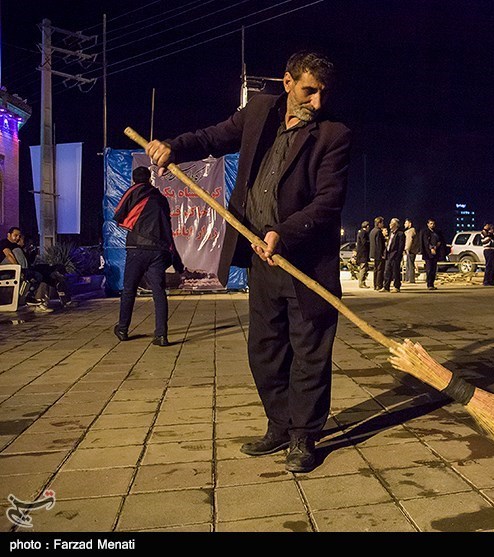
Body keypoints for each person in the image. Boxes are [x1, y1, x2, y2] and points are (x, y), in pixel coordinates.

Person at [145, 50, 351, 473]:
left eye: (323, 94)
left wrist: (285, 233)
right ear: (288, 81)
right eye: (309, 92)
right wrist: (173, 147)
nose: (317, 103)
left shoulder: (334, 134)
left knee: (309, 353)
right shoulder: (259, 109)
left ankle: (303, 436)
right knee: (265, 349)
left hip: (306, 264)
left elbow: (328, 202)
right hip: (261, 259)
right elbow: (210, 138)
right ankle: (279, 424)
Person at [113, 166, 184, 346]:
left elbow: (118, 214)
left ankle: (122, 329)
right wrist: (175, 257)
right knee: (159, 292)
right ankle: (161, 335)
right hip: (158, 251)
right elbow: (167, 227)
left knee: (129, 289)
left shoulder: (133, 191)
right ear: (150, 179)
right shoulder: (161, 198)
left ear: (134, 179)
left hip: (137, 247)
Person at [1, 228, 52, 313]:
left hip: (17, 269)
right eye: (15, 235)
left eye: (19, 236)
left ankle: (30, 296)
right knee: (17, 251)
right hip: (5, 270)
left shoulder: (17, 246)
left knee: (38, 275)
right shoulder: (4, 243)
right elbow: (9, 255)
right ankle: (25, 272)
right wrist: (18, 269)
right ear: (9, 235)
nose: (17, 238)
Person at [382, 217, 405, 293]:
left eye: (392, 223)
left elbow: (401, 246)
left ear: (396, 225)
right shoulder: (390, 232)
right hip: (388, 254)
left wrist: (398, 256)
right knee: (387, 271)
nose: (390, 224)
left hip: (395, 255)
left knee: (395, 271)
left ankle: (396, 286)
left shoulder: (400, 234)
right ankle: (386, 287)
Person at [420, 218, 444, 290]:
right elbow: (426, 242)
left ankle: (432, 284)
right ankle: (429, 284)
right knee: (429, 269)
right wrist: (431, 248)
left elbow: (440, 241)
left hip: (435, 253)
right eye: (431, 223)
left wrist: (437, 247)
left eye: (433, 224)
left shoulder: (437, 232)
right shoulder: (425, 232)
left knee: (434, 269)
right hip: (428, 254)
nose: (432, 225)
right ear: (428, 224)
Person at [369, 216, 386, 290]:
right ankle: (379, 285)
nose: (383, 224)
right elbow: (379, 244)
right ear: (379, 223)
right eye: (382, 223)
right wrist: (382, 254)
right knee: (380, 270)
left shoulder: (372, 231)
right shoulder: (378, 232)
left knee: (375, 269)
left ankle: (375, 285)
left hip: (373, 253)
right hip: (378, 253)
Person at [354, 220, 371, 288]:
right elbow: (364, 242)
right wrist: (370, 243)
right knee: (363, 268)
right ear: (367, 226)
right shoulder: (363, 233)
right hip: (363, 253)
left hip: (361, 253)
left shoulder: (360, 232)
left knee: (363, 268)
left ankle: (362, 282)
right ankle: (361, 283)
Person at [403, 218, 418, 283]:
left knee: (410, 264)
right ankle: (408, 278)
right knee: (408, 264)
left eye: (406, 223)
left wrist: (406, 249)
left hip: (410, 250)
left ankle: (411, 279)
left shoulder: (410, 231)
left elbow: (409, 241)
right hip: (411, 250)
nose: (404, 224)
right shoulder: (410, 231)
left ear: (410, 224)